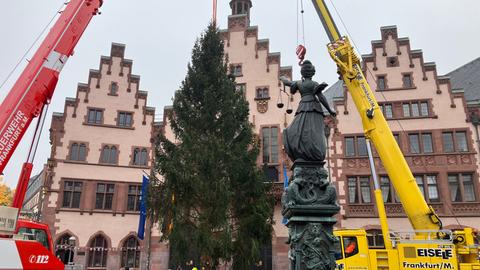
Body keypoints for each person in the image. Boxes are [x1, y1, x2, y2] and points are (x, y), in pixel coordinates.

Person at [280, 60, 337, 164]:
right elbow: (321, 97)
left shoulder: (299, 83)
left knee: (300, 128)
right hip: (314, 107)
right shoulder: (314, 84)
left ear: (302, 73)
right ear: (312, 73)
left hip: (303, 106)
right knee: (312, 130)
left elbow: (287, 83)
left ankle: (303, 151)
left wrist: (282, 78)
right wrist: (330, 110)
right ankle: (312, 151)